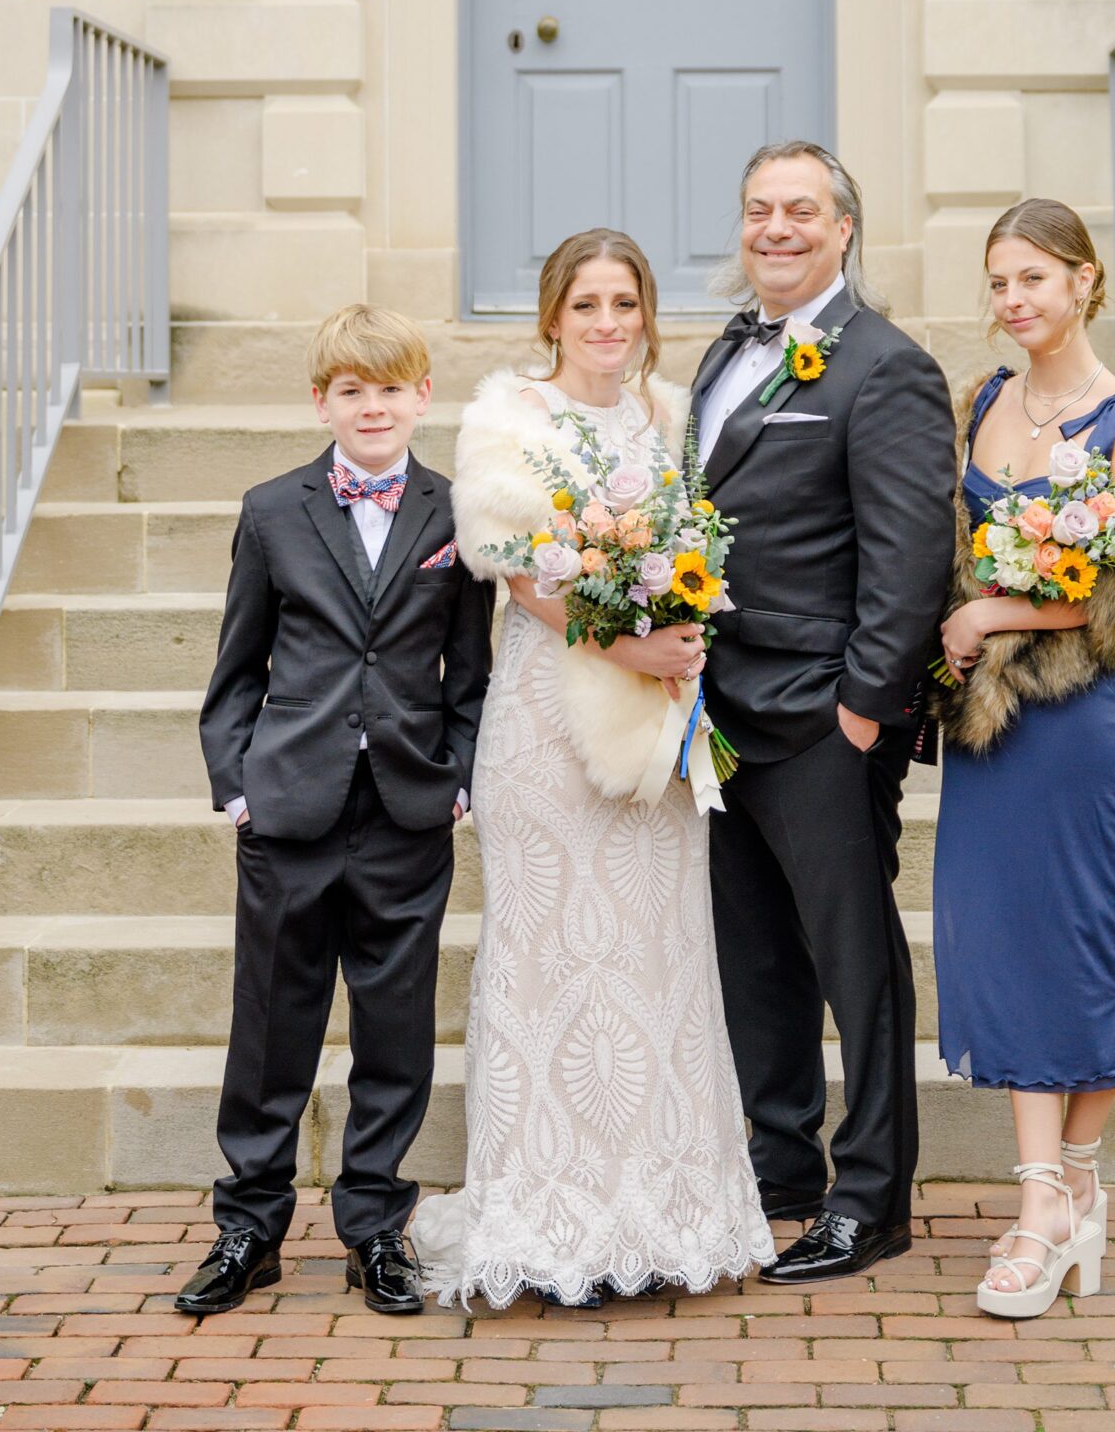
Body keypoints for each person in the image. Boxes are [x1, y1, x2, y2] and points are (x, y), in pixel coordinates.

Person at [409, 228, 773, 1309]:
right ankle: (550, 1215)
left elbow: (693, 553)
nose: (606, 325)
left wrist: (679, 635)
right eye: (585, 307)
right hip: (547, 721)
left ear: (646, 314)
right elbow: (521, 574)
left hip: (654, 728)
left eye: (624, 303)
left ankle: (661, 1211)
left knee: (654, 953)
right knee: (553, 955)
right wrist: (631, 645)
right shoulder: (507, 420)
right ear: (551, 318)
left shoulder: (670, 418)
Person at [179, 305, 490, 1320]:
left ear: (420, 396)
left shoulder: (454, 512)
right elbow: (235, 671)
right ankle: (249, 1226)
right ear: (322, 400)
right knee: (271, 1025)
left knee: (394, 1031)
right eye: (351, 390)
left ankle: (373, 1229)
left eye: (389, 387)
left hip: (405, 806)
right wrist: (237, 784)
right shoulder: (273, 509)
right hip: (289, 807)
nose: (371, 405)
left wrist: (460, 774)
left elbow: (472, 675)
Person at [694, 142, 957, 1284]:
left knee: (856, 965)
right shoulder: (721, 351)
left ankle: (873, 1197)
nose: (776, 227)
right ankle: (782, 1171)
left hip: (820, 718)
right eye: (759, 209)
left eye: (800, 209)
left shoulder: (885, 366)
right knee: (755, 961)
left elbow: (907, 560)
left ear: (844, 227)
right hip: (715, 713)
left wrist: (861, 715)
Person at [931, 199, 1115, 1319]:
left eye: (1033, 277)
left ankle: (1053, 1199)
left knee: (1077, 948)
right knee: (997, 946)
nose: (1012, 301)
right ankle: (1056, 1194)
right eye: (998, 282)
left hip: (1075, 723)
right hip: (987, 734)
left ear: (1085, 281)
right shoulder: (982, 401)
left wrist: (989, 612)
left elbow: (1108, 602)